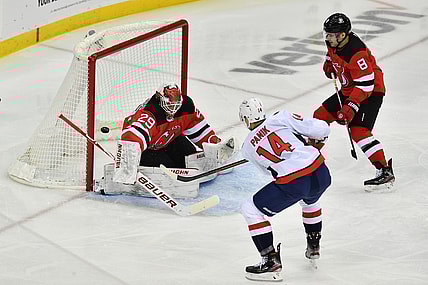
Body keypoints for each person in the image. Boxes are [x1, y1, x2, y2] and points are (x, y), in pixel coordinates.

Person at [238, 98, 331, 281]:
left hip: (295, 182)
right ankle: (314, 246)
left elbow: (268, 171)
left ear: (246, 119)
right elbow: (323, 129)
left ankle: (269, 261)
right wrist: (313, 142)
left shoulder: (247, 147)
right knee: (310, 199)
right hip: (321, 172)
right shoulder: (280, 118)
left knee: (250, 209)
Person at [313, 12, 395, 191]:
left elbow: (366, 84)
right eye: (326, 34)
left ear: (343, 35)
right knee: (319, 116)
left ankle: (384, 171)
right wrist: (329, 64)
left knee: (359, 131)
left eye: (331, 35)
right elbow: (332, 54)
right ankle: (308, 158)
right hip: (350, 90)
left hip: (371, 92)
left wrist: (350, 106)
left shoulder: (356, 52)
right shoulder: (334, 42)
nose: (327, 38)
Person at [119, 82, 235, 169]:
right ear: (159, 99)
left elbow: (200, 130)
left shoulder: (186, 106)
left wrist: (215, 145)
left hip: (171, 141)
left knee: (189, 158)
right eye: (169, 104)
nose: (173, 108)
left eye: (176, 104)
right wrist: (128, 160)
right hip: (148, 149)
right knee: (170, 168)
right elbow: (132, 136)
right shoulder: (150, 112)